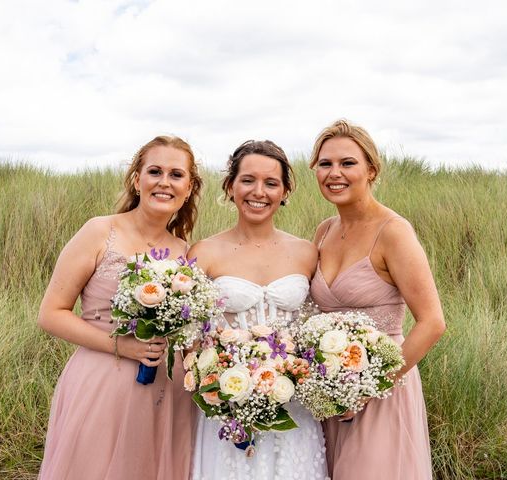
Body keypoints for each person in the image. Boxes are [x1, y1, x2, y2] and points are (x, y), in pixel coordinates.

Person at [37, 135, 203, 479]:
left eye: (176, 175)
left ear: (189, 188)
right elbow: (51, 314)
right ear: (136, 179)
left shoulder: (185, 251)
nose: (164, 182)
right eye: (154, 171)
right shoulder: (100, 231)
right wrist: (123, 346)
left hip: (164, 390)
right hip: (102, 379)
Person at [309, 120, 446, 479]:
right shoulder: (324, 231)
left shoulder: (394, 232)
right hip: (331, 394)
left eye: (347, 163)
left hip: (382, 390)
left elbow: (432, 322)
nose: (334, 173)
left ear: (371, 169)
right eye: (325, 164)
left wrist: (370, 388)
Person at [189, 140, 329, 480]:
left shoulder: (306, 252)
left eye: (271, 183)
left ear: (284, 191)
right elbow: (189, 337)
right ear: (231, 185)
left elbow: (318, 325)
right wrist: (216, 382)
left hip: (293, 407)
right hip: (229, 408)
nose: (259, 192)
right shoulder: (205, 252)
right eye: (248, 180)